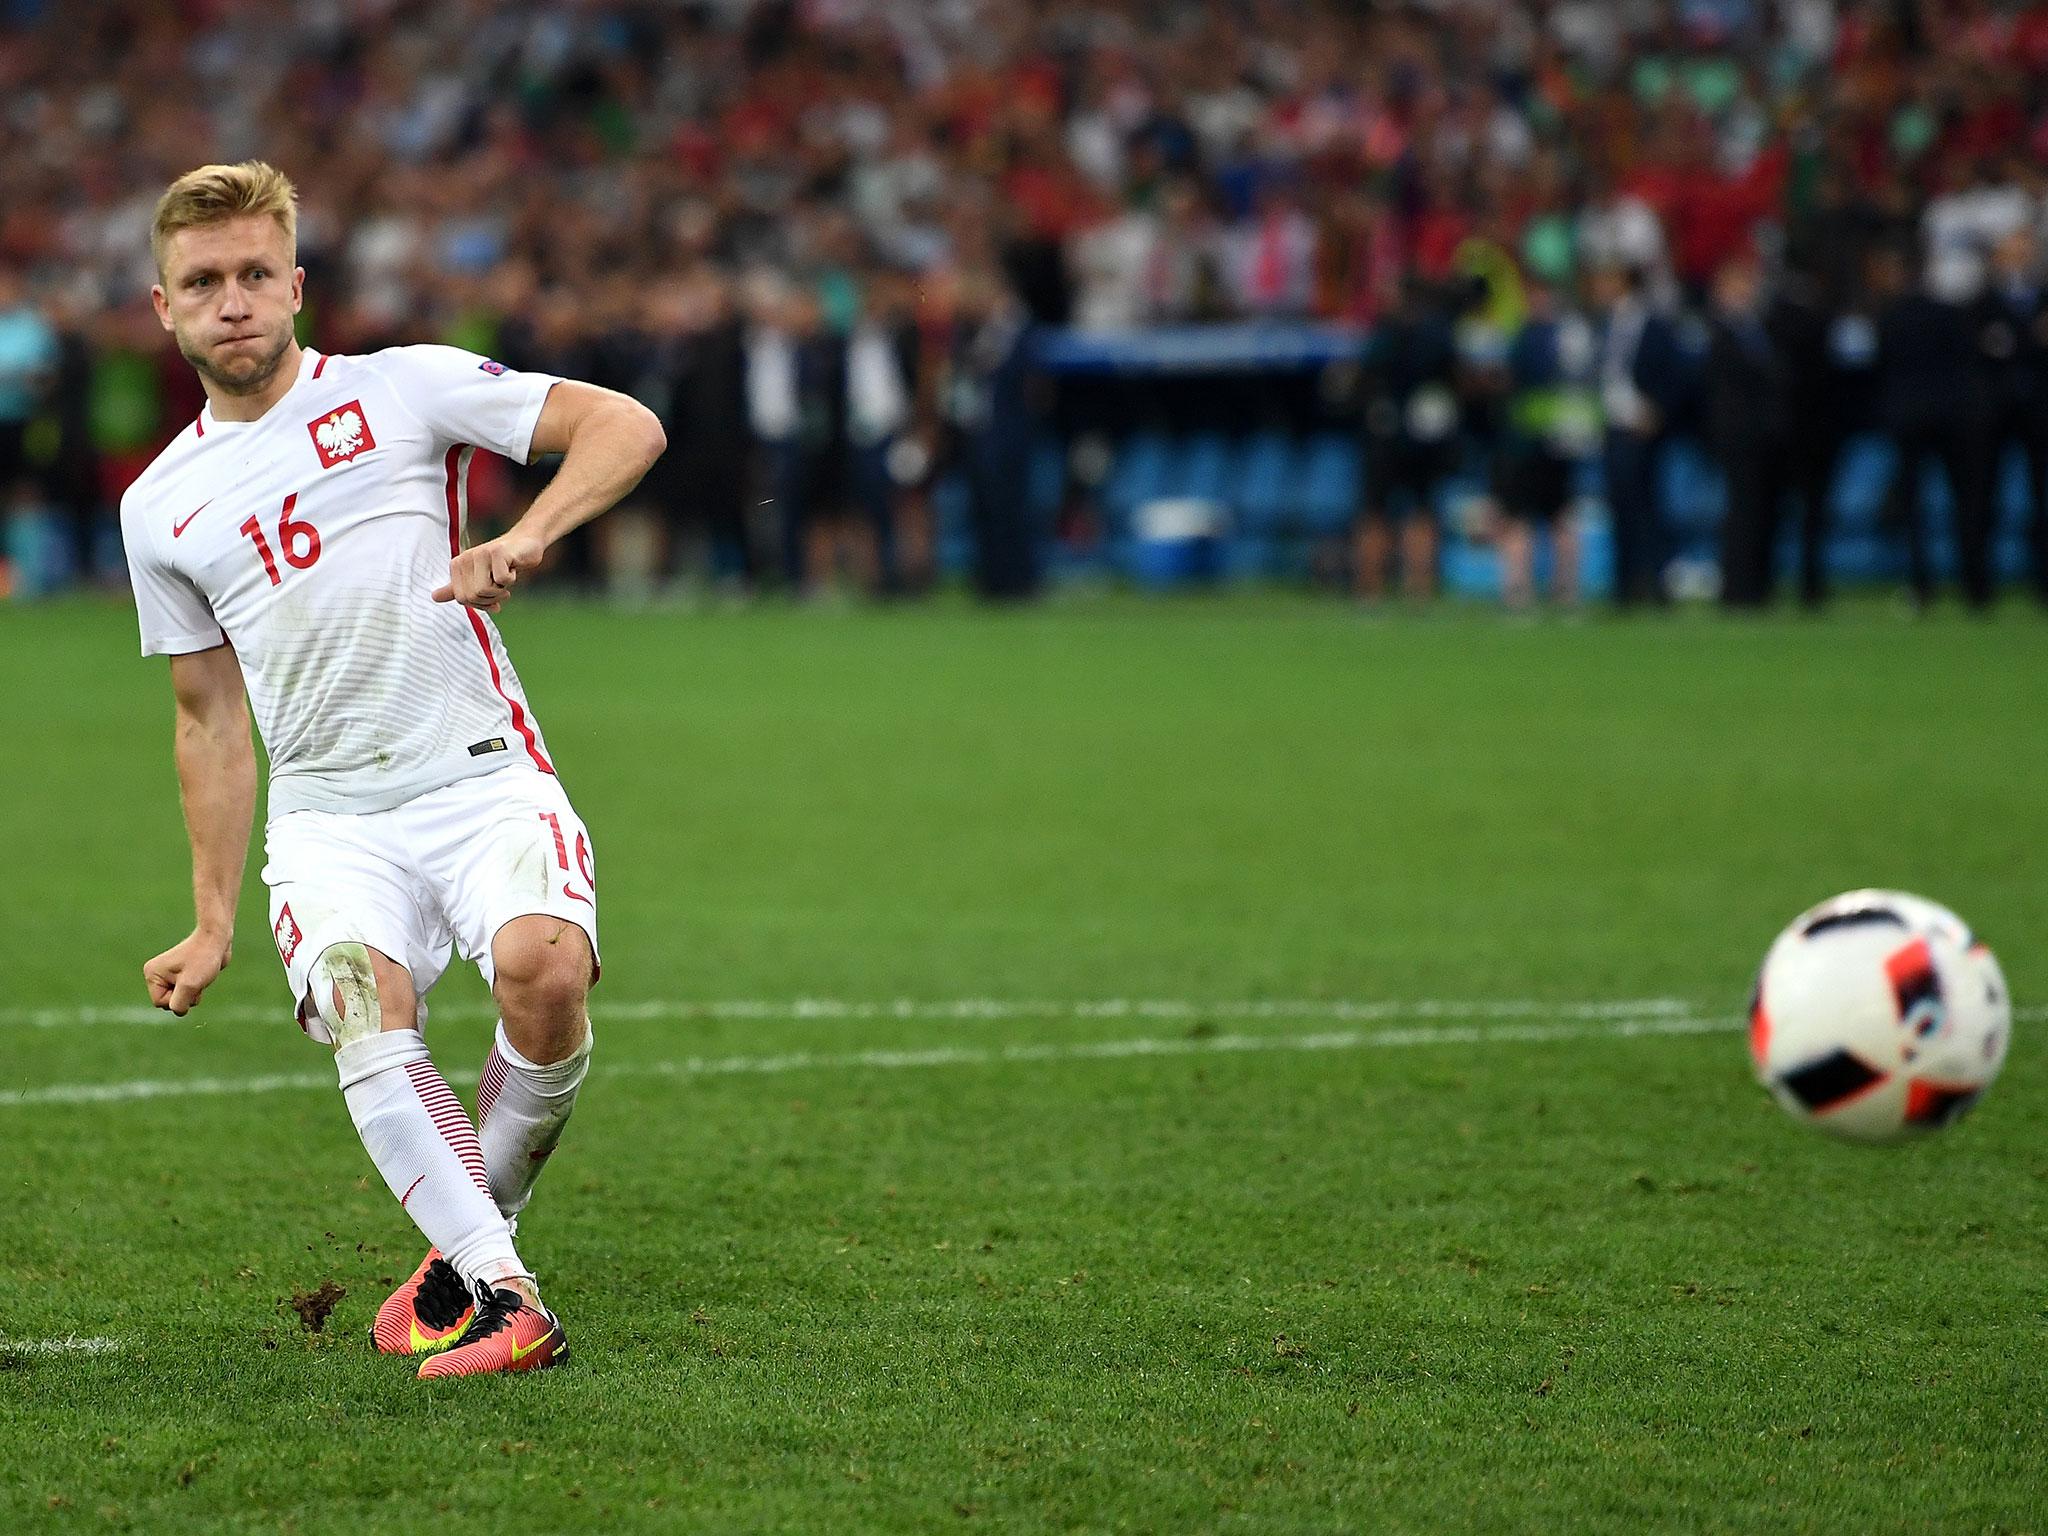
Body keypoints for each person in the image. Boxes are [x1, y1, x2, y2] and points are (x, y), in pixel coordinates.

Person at [121, 163, 664, 1379]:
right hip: (329, 821)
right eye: (202, 281)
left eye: (256, 274)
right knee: (363, 1001)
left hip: (479, 774)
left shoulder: (403, 388)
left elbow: (625, 425)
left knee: (544, 974)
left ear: (297, 287)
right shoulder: (158, 507)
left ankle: (465, 1252)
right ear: (163, 308)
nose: (233, 300)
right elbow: (206, 717)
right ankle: (508, 1295)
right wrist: (211, 921)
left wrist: (523, 535)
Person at [1352, 273, 1460, 602]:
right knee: (1418, 508)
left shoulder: (1386, 333)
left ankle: (1372, 587)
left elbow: (1365, 376)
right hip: (1422, 432)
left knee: (1379, 510)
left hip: (1390, 430)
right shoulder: (1438, 333)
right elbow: (1452, 375)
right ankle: (1417, 586)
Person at [1496, 274, 1599, 608]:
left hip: (1529, 440)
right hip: (1560, 438)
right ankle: (1564, 590)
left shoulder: (1527, 337)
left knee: (1524, 518)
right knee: (1559, 516)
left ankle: (1521, 590)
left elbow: (1512, 383)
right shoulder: (1574, 335)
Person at [1702, 252, 1797, 607]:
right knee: (1742, 512)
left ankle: (1760, 585)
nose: (1747, 291)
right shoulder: (1717, 330)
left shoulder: (1763, 330)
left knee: (1766, 512)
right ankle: (1738, 588)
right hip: (1738, 437)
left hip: (1768, 437)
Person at [1588, 259, 1684, 606]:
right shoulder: (1601, 325)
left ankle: (1657, 582)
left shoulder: (1654, 325)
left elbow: (1673, 374)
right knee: (1620, 506)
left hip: (1643, 426)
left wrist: (1657, 411)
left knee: (1648, 506)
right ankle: (1625, 585)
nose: (1597, 287)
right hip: (1611, 426)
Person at [1965, 227, 2048, 604]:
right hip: (1991, 411)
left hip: (2037, 408)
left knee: (2041, 496)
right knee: (1983, 497)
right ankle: (1979, 587)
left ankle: (2041, 581)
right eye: (2012, 247)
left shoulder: (2040, 297)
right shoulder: (1981, 302)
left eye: (2025, 247)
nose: (2019, 254)